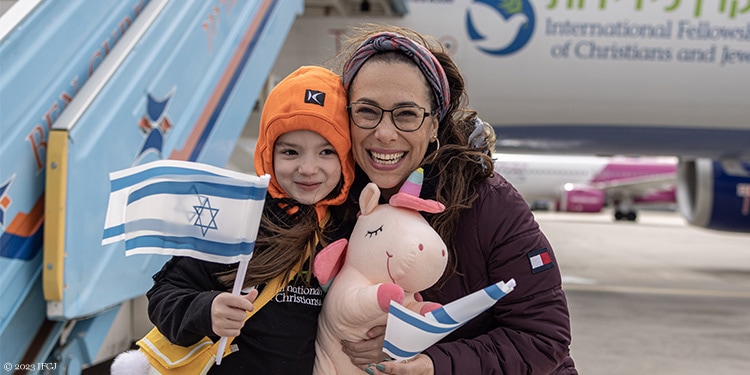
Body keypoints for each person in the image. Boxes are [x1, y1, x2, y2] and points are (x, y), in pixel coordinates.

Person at [334, 24, 578, 374]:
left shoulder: (487, 203)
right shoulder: (334, 201)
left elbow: (542, 338)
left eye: (406, 114)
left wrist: (431, 360)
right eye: (367, 111)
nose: (385, 133)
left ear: (434, 124)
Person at [145, 66, 355, 374]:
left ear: (346, 157)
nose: (308, 168)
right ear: (267, 153)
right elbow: (163, 296)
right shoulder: (237, 216)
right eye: (290, 152)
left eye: (326, 152)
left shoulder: (351, 227)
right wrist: (208, 310)